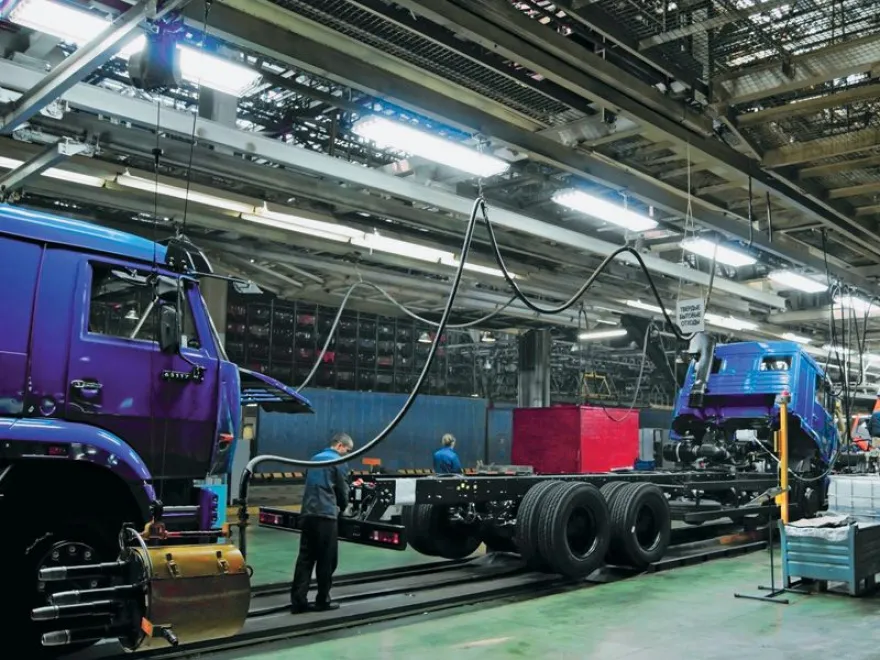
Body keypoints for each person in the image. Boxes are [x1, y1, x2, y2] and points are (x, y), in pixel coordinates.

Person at [290, 432, 354, 613]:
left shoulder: (314, 459)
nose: (348, 454)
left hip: (307, 514)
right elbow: (342, 490)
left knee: (305, 558)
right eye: (348, 450)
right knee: (327, 560)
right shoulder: (339, 461)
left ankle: (298, 602)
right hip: (326, 516)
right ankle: (322, 600)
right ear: (340, 445)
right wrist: (344, 507)